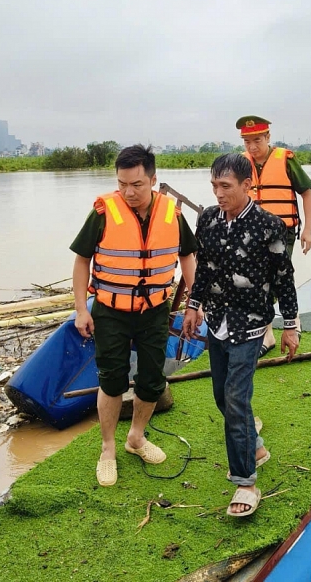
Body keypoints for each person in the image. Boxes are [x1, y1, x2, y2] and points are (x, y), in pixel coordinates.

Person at [70, 144, 199, 487]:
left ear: (154, 180)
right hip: (110, 310)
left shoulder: (172, 213)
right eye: (122, 183)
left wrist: (195, 301)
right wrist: (82, 309)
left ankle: (136, 438)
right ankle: (108, 447)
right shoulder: (103, 211)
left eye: (137, 184)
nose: (128, 192)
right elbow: (82, 260)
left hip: (155, 309)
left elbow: (187, 257)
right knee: (111, 380)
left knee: (152, 379)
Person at [182, 153, 300, 517]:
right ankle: (257, 446)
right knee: (222, 396)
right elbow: (203, 269)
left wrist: (290, 325)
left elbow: (284, 279)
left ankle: (246, 481)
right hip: (216, 322)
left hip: (250, 325)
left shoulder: (269, 226)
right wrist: (192, 304)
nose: (219, 194)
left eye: (226, 187)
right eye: (214, 186)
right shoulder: (208, 220)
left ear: (248, 185)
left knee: (235, 399)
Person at [236, 115, 311, 354]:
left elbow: (307, 194)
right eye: (247, 141)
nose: (252, 146)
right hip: (251, 234)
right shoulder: (240, 163)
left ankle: (282, 326)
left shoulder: (285, 160)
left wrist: (308, 230)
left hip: (283, 232)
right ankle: (269, 334)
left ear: (268, 137)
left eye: (257, 140)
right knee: (258, 282)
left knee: (278, 278)